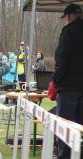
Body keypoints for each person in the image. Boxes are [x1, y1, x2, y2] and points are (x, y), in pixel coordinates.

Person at [50, 4, 83, 159]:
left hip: (68, 89)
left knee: (65, 130)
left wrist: (54, 80)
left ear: (68, 16)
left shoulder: (68, 32)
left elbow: (62, 59)